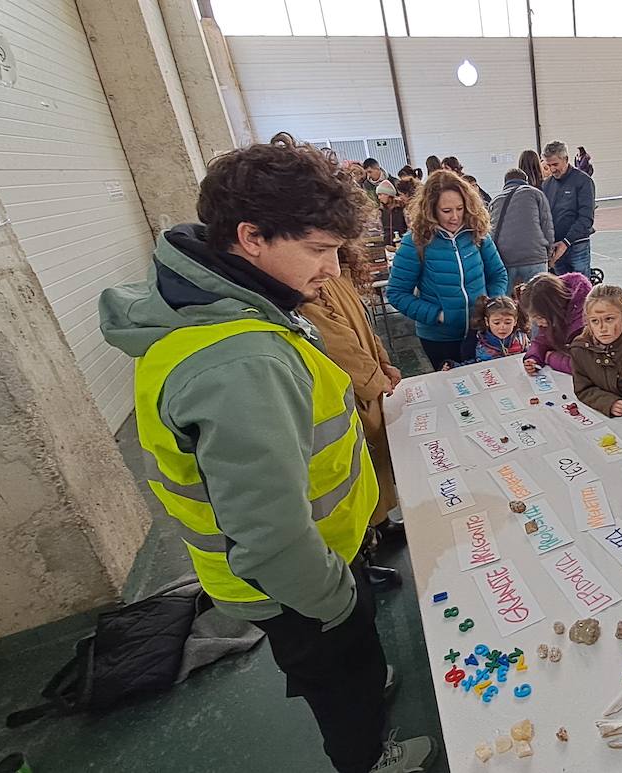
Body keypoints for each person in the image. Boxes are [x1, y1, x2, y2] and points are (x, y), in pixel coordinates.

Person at [98, 133, 436, 773]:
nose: (332, 270)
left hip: (309, 563)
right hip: (299, 584)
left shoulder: (216, 308)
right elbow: (270, 535)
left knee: (343, 672)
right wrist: (338, 599)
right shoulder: (241, 360)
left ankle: (357, 693)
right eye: (317, 250)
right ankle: (370, 756)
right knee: (341, 686)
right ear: (251, 237)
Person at [301, 264, 405, 591]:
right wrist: (376, 379)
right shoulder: (307, 283)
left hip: (368, 384)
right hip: (348, 391)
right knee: (351, 476)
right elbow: (337, 343)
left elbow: (363, 325)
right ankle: (361, 555)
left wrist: (383, 361)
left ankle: (381, 524)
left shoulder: (336, 271)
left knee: (377, 465)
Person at [386, 170, 509, 369]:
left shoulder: (478, 234)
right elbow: (396, 293)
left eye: (460, 208)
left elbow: (498, 275)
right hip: (439, 338)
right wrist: (438, 315)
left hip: (479, 332)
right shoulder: (415, 242)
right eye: (446, 211)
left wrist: (491, 307)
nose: (455, 217)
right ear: (431, 209)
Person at [570, 284, 622, 416]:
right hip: (600, 417)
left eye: (609, 319)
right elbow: (583, 389)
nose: (602, 328)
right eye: (595, 321)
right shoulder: (580, 350)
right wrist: (608, 403)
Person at [489, 167, 556, 288]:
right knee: (537, 300)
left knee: (506, 304)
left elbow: (491, 234)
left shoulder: (495, 201)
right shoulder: (535, 193)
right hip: (534, 256)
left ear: (505, 183)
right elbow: (547, 227)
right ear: (525, 180)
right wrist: (549, 254)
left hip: (506, 258)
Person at [519, 271, 592, 374]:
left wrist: (550, 358)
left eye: (539, 318)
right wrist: (533, 357)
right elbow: (543, 339)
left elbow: (585, 366)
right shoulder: (553, 317)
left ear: (553, 309)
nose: (537, 324)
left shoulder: (586, 324)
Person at [541, 140, 596, 276]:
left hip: (577, 245)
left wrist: (566, 242)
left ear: (565, 159)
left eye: (555, 164)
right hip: (556, 249)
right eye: (548, 165)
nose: (552, 169)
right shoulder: (546, 185)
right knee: (561, 291)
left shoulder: (583, 181)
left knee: (581, 289)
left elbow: (586, 218)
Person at [440, 295, 531, 369]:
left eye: (508, 322)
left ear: (515, 321)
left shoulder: (522, 339)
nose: (502, 327)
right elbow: (471, 365)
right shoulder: (478, 341)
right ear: (487, 321)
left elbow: (531, 356)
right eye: (496, 323)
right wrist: (453, 367)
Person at [374, 180, 408, 246]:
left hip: (403, 244)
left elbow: (409, 227)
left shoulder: (402, 208)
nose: (379, 198)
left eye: (381, 194)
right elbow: (380, 229)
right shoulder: (381, 211)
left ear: (388, 194)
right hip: (387, 245)